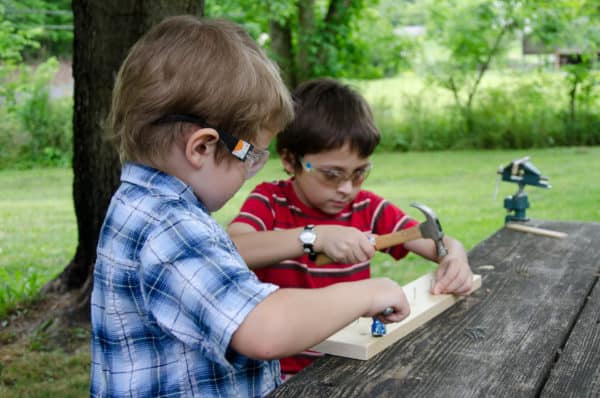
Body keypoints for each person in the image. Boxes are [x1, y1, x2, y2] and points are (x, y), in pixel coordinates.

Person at [90, 16, 411, 398]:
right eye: (252, 157)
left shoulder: (141, 206)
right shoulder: (168, 225)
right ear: (202, 147)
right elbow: (264, 329)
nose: (251, 172)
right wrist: (367, 294)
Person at [228, 78, 474, 378]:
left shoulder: (367, 208)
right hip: (281, 372)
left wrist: (455, 259)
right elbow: (231, 250)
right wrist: (314, 237)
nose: (346, 188)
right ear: (291, 161)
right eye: (332, 174)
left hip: (350, 365)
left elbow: (443, 243)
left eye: (359, 173)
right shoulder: (270, 201)